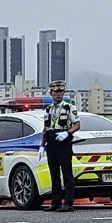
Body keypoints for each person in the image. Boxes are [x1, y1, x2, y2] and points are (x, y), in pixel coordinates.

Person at [42, 81, 81, 212]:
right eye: (55, 92)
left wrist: (67, 133)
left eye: (60, 92)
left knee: (67, 174)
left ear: (63, 93)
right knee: (54, 173)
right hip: (51, 141)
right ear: (51, 93)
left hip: (63, 141)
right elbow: (45, 128)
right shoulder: (48, 109)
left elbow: (77, 125)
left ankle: (69, 203)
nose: (58, 95)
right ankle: (56, 202)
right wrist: (42, 145)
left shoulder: (69, 107)